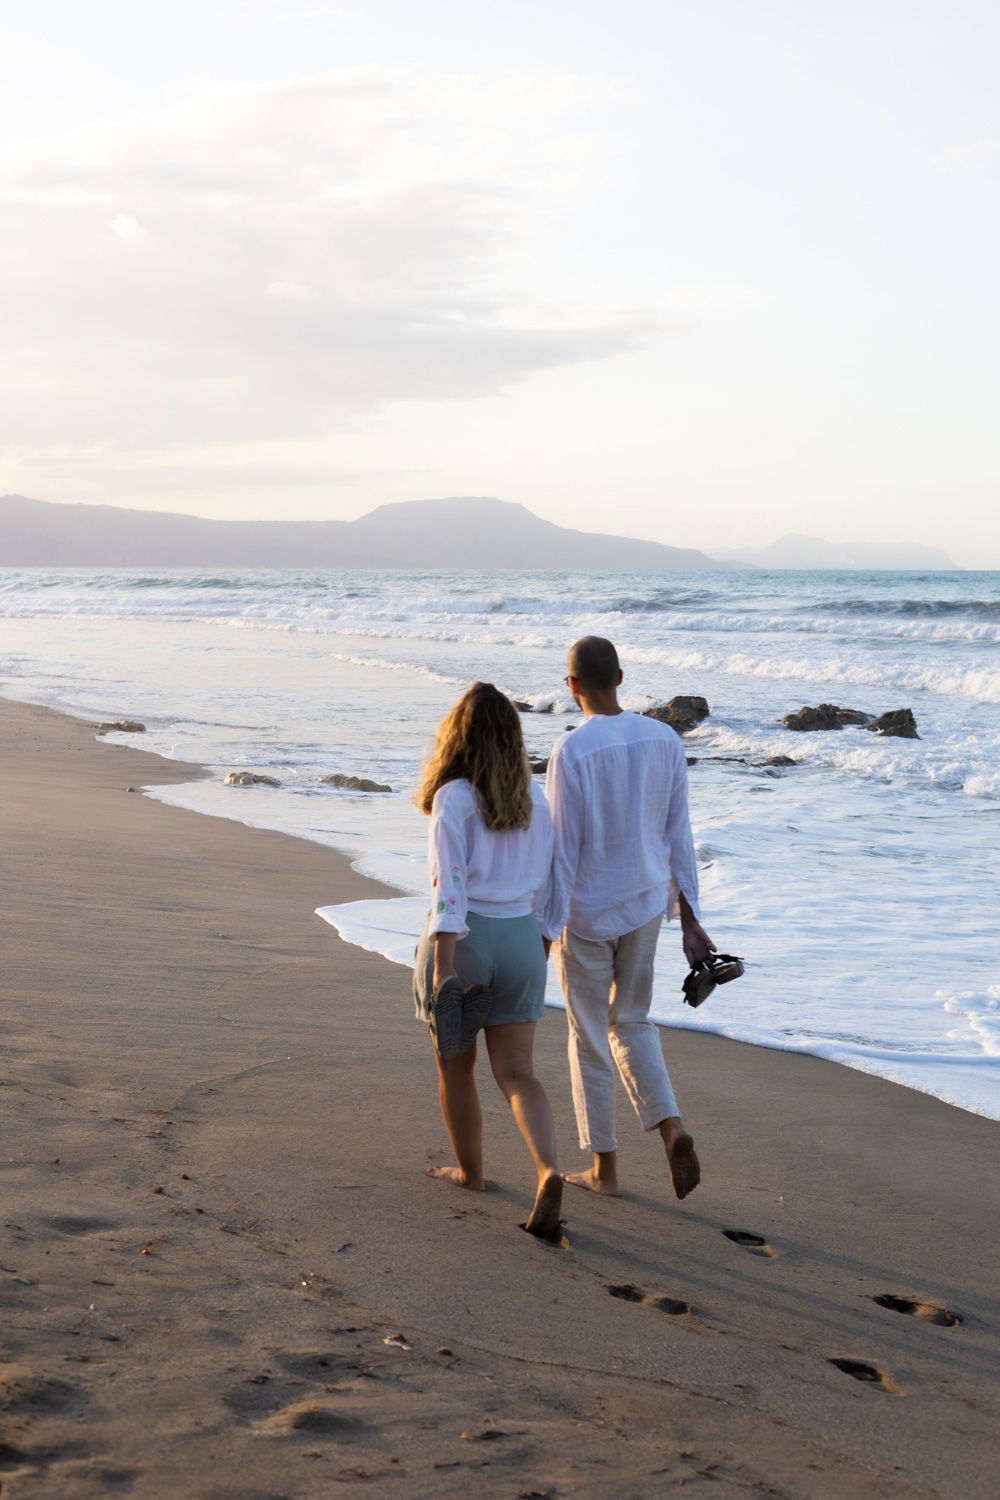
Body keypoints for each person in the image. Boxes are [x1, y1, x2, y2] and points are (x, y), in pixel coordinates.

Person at [544, 636, 714, 1200]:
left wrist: (545, 929)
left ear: (572, 686)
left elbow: (562, 851)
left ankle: (605, 1171)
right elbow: (679, 834)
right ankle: (672, 1127)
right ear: (620, 677)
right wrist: (689, 918)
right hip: (645, 903)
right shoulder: (663, 738)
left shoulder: (572, 750)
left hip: (586, 912)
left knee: (590, 1037)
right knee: (633, 1021)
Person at [414, 682, 565, 1241]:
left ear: (457, 736)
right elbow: (554, 879)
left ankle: (471, 1174)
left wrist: (443, 963)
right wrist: (542, 941)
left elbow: (447, 886)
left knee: (456, 1068)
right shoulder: (534, 799)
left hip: (468, 941)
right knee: (519, 1074)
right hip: (522, 940)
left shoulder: (454, 797)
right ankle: (548, 1169)